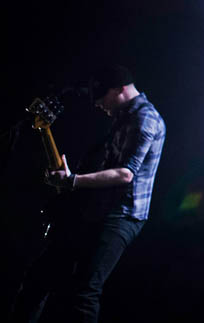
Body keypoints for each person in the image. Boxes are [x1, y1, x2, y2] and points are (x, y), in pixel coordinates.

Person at [12, 64, 166, 323]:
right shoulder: (124, 116)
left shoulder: (144, 118)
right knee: (40, 277)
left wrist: (74, 181)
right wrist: (77, 176)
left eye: (102, 97)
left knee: (84, 292)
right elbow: (108, 167)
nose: (97, 104)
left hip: (123, 216)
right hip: (99, 210)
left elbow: (125, 173)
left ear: (120, 89)